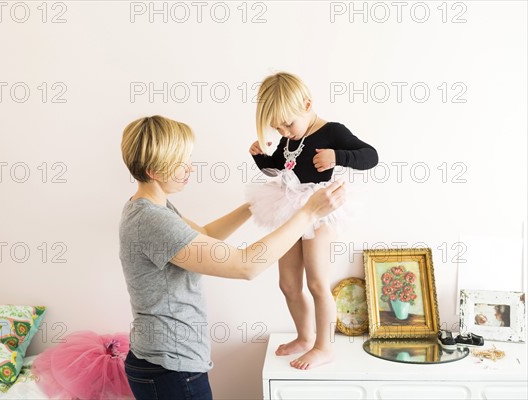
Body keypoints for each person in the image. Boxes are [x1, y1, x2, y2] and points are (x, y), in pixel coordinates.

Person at [119, 115, 345, 399]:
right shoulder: (152, 221)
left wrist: (256, 204)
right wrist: (308, 213)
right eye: (180, 163)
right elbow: (245, 266)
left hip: (165, 363)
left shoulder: (152, 207)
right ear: (154, 170)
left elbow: (205, 234)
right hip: (170, 370)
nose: (190, 168)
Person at [247, 72, 378, 370]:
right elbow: (280, 169)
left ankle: (324, 346)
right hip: (290, 211)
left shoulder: (332, 131)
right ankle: (305, 337)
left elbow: (370, 155)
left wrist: (337, 156)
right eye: (277, 127)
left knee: (317, 281)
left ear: (307, 104)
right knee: (288, 284)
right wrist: (260, 159)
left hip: (319, 211)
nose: (284, 131)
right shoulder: (289, 138)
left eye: (287, 123)